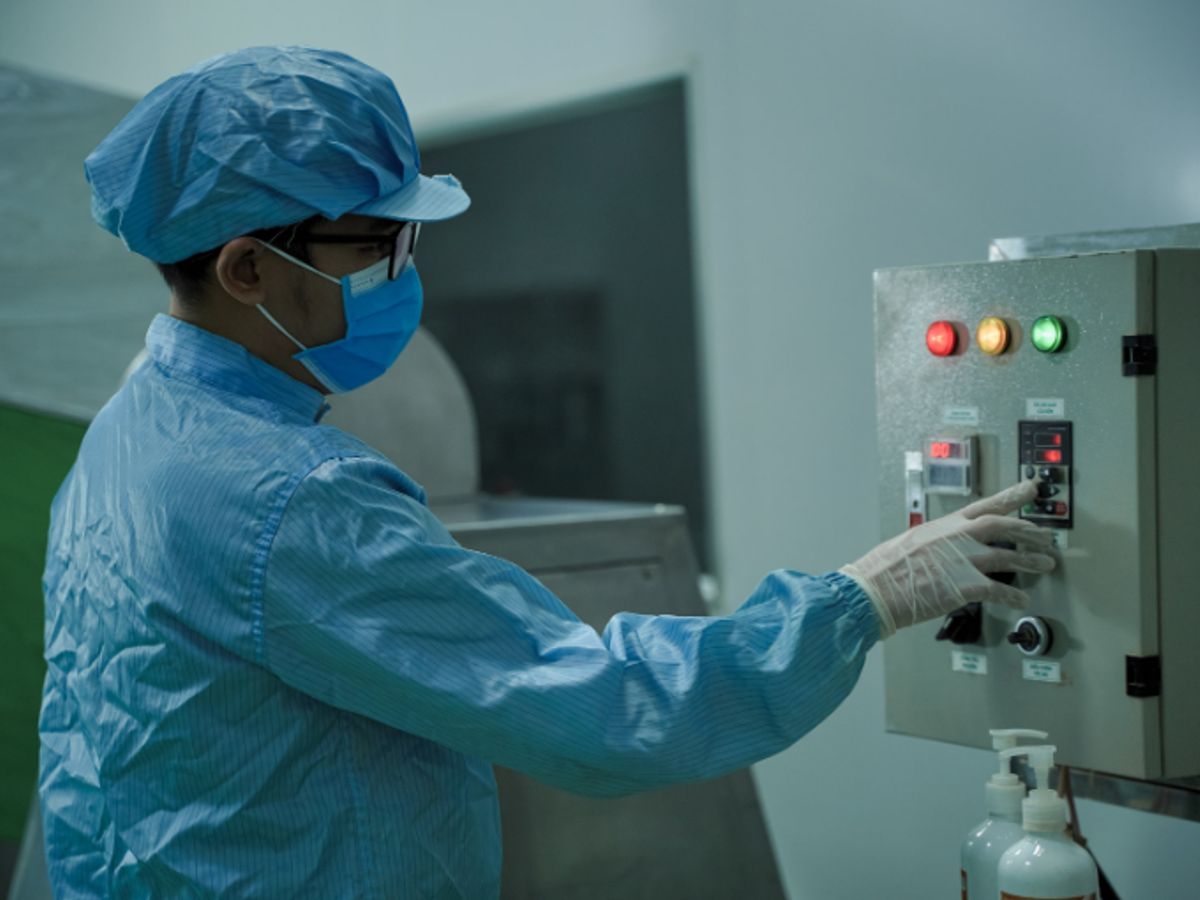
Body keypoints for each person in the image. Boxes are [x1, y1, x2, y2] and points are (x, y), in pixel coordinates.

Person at [39, 46, 1057, 898]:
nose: (405, 271)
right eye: (374, 246)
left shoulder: (124, 441)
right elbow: (606, 710)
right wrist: (865, 598)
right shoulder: (289, 495)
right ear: (247, 270)